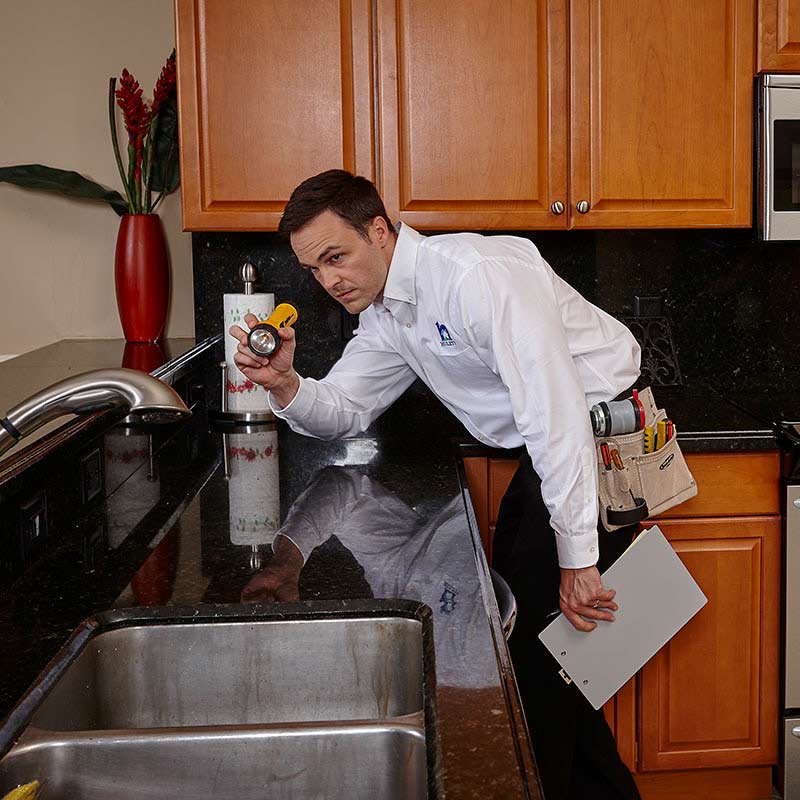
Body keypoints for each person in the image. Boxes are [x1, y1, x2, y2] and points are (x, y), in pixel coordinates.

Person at [229, 169, 642, 799]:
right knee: (541, 663)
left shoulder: (478, 276)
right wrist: (285, 383)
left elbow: (553, 412)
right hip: (548, 451)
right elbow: (345, 408)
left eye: (336, 257)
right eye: (315, 270)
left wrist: (578, 558)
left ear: (379, 229)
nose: (329, 280)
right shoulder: (389, 313)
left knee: (539, 663)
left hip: (605, 440)